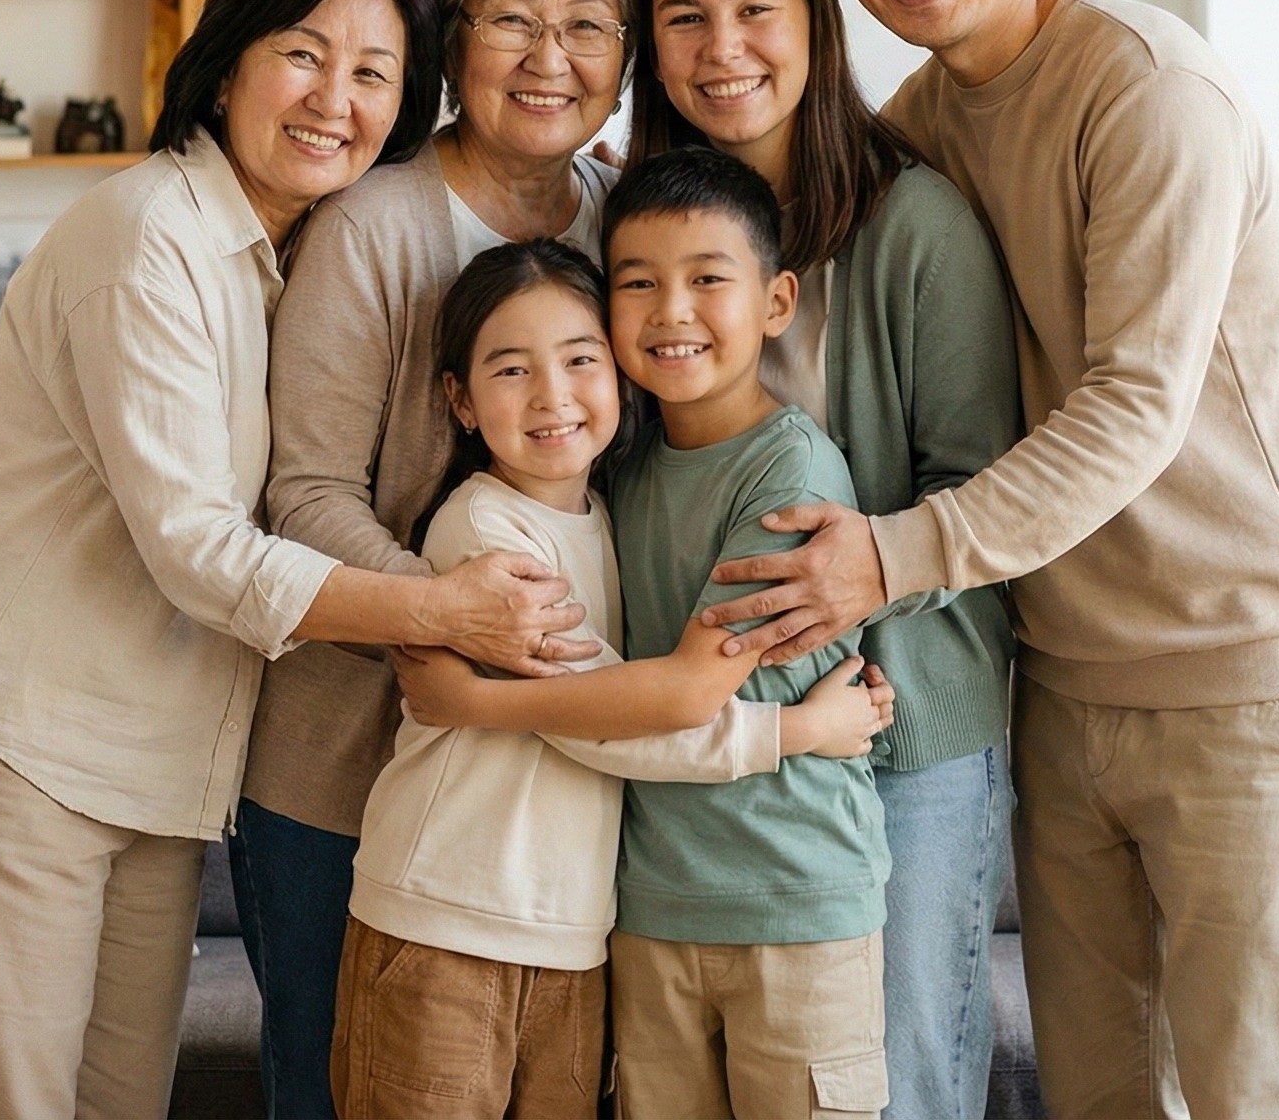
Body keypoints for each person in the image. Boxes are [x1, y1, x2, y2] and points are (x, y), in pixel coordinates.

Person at [704, 0, 1279, 1118]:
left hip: (1238, 673)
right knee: (1097, 1093)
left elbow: (1133, 405)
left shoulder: (1148, 91)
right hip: (1060, 687)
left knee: (1259, 1096)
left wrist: (890, 558)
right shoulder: (921, 128)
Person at [0, 0, 590, 1120]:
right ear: (228, 61)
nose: (332, 100)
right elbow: (197, 547)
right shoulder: (145, 233)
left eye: (372, 76)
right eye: (304, 55)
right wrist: (445, 609)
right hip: (11, 745)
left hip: (152, 773)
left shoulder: (277, 257)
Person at [248, 0, 646, 1117]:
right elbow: (302, 495)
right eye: (510, 19)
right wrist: (459, 616)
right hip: (345, 772)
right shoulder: (372, 223)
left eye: (588, 25)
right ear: (453, 41)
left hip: (546, 803)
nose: (549, 58)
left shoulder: (627, 220)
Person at [336, 239, 895, 1120]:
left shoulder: (609, 510)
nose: (553, 396)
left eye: (580, 361)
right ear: (461, 402)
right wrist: (796, 733)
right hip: (448, 919)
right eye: (511, 370)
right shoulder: (487, 535)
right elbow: (606, 720)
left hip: (571, 939)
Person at [629, 0, 1022, 1120]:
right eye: (683, 19)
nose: (722, 48)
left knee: (893, 1089)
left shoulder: (917, 224)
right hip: (691, 748)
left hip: (897, 736)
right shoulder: (629, 228)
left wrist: (862, 600)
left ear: (817, 24)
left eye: (756, 8)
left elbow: (983, 484)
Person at [599, 148, 898, 1120]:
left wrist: (481, 702)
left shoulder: (789, 471)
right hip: (650, 908)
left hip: (795, 900)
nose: (669, 311)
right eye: (635, 283)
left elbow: (692, 692)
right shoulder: (619, 471)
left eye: (706, 281)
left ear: (775, 301)